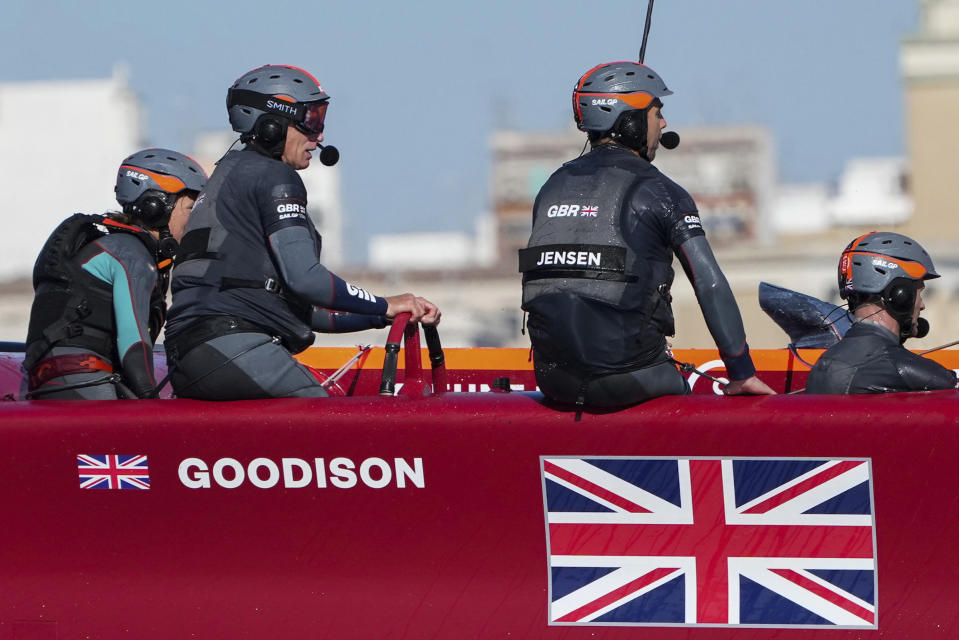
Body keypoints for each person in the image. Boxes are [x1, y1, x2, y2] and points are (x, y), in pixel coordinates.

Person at [164, 64, 440, 400]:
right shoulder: (273, 176)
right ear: (271, 124)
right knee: (330, 429)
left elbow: (305, 310)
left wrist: (382, 314)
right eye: (311, 119)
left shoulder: (228, 176)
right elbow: (307, 281)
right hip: (233, 346)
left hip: (191, 354)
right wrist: (382, 303)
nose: (319, 135)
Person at [520, 61, 774, 408]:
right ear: (630, 121)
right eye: (657, 111)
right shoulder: (662, 191)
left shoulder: (550, 187)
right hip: (627, 379)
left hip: (553, 381)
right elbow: (709, 282)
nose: (664, 122)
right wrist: (741, 373)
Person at [24, 149, 207, 399]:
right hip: (81, 378)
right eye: (189, 208)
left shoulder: (111, 243)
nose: (193, 220)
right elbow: (134, 343)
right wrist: (149, 399)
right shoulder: (132, 253)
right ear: (156, 207)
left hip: (50, 377)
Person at [805, 232, 957, 394]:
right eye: (919, 294)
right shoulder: (893, 365)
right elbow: (950, 385)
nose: (922, 305)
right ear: (900, 295)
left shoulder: (824, 363)